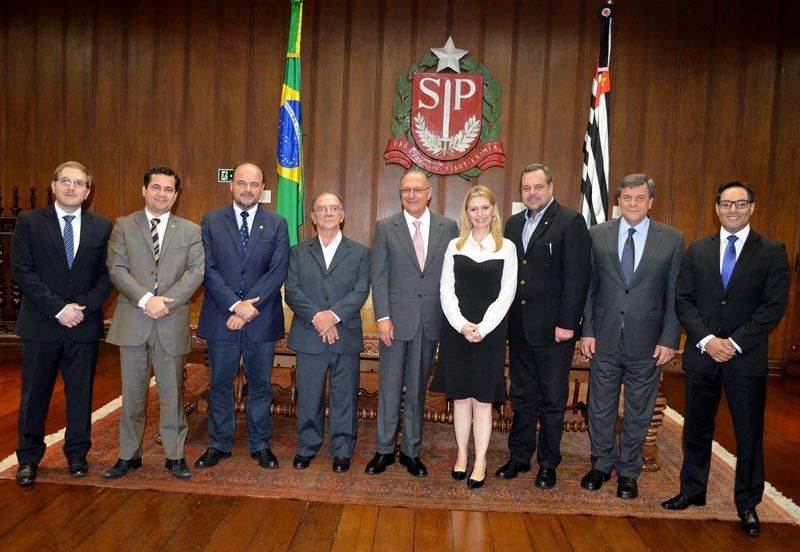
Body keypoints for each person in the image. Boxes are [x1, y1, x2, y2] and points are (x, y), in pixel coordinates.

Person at [662, 181, 789, 537]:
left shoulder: (772, 251)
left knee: (748, 434)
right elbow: (683, 299)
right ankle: (692, 490)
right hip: (703, 355)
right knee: (696, 428)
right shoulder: (698, 250)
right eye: (727, 204)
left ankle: (747, 504)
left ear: (752, 207)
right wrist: (707, 340)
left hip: (745, 358)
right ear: (716, 208)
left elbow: (773, 306)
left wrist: (733, 343)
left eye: (740, 203)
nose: (733, 209)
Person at [579, 173, 684, 499]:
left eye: (640, 198)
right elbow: (589, 287)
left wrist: (669, 339)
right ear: (618, 201)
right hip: (604, 337)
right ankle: (601, 464)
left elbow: (675, 294)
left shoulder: (672, 239)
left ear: (651, 201)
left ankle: (628, 471)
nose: (633, 203)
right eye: (627, 197)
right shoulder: (597, 234)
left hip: (648, 342)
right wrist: (587, 330)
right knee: (600, 407)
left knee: (639, 409)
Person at [11, 161, 114, 485]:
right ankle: (28, 458)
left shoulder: (102, 226)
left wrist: (82, 307)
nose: (71, 187)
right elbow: (22, 270)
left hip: (82, 323)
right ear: (53, 186)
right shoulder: (30, 221)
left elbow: (107, 273)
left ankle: (77, 455)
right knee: (34, 395)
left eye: (79, 183)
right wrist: (58, 309)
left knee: (80, 394)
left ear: (88, 192)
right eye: (65, 181)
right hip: (41, 323)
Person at [104, 166, 204, 479]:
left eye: (168, 189)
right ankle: (128, 455)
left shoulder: (190, 230)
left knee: (172, 394)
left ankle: (175, 456)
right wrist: (147, 299)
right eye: (156, 187)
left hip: (170, 321)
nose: (162, 194)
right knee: (132, 395)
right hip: (134, 320)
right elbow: (116, 268)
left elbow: (196, 272)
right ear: (144, 190)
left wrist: (165, 303)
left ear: (176, 195)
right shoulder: (124, 225)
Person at [498, 163, 591, 489]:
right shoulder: (513, 223)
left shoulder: (570, 221)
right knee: (522, 395)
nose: (532, 193)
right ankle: (520, 456)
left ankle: (548, 463)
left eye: (538, 187)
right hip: (519, 328)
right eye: (527, 188)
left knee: (552, 399)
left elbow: (577, 277)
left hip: (555, 331)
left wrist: (568, 323)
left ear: (550, 188)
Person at [195, 162, 289, 471]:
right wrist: (235, 306)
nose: (248, 189)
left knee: (260, 386)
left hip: (261, 319)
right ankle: (219, 443)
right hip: (221, 317)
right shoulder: (211, 220)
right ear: (231, 186)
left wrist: (248, 309)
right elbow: (207, 268)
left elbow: (277, 270)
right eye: (242, 183)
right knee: (219, 384)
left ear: (262, 189)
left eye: (254, 184)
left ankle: (260, 443)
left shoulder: (277, 223)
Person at [366, 169, 459, 476]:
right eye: (406, 190)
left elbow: (452, 277)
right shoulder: (385, 227)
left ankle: (411, 451)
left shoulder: (448, 227)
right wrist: (382, 317)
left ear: (428, 193)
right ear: (400, 194)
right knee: (390, 388)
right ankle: (384, 450)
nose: (412, 195)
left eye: (417, 189)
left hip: (429, 321)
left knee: (418, 390)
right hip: (393, 322)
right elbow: (378, 276)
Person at [429, 185, 517, 489]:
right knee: (461, 398)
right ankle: (462, 455)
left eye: (484, 208)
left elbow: (507, 294)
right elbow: (446, 290)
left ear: (494, 211)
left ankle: (480, 460)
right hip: (457, 331)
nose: (479, 214)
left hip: (490, 333)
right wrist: (462, 325)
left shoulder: (506, 247)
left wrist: (483, 327)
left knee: (482, 399)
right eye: (473, 209)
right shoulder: (455, 245)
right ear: (466, 213)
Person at [284, 192, 370, 473]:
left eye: (334, 208)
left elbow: (360, 291)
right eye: (322, 209)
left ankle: (342, 450)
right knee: (309, 396)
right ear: (313, 217)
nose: (329, 213)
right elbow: (292, 291)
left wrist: (332, 316)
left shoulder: (360, 252)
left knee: (345, 396)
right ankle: (307, 446)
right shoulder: (297, 252)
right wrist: (318, 318)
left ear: (342, 215)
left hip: (345, 333)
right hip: (309, 334)